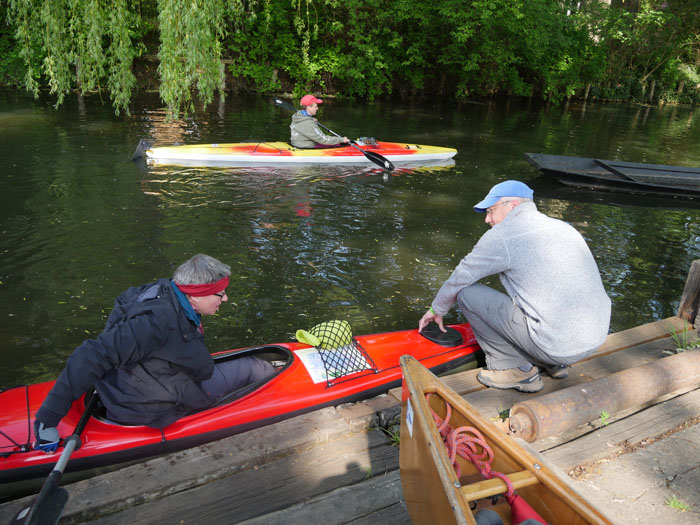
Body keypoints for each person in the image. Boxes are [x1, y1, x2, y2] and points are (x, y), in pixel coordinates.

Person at [34, 254, 273, 451]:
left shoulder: (163, 292)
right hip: (146, 407)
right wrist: (48, 419)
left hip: (136, 387)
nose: (225, 298)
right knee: (258, 367)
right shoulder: (154, 323)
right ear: (196, 295)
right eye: (219, 294)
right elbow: (89, 355)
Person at [418, 180, 611, 393]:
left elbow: (461, 276)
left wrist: (437, 309)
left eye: (491, 210)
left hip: (556, 345)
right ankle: (553, 364)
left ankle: (516, 370)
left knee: (466, 294)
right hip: (594, 338)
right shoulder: (563, 228)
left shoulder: (503, 235)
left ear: (513, 205)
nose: (487, 219)